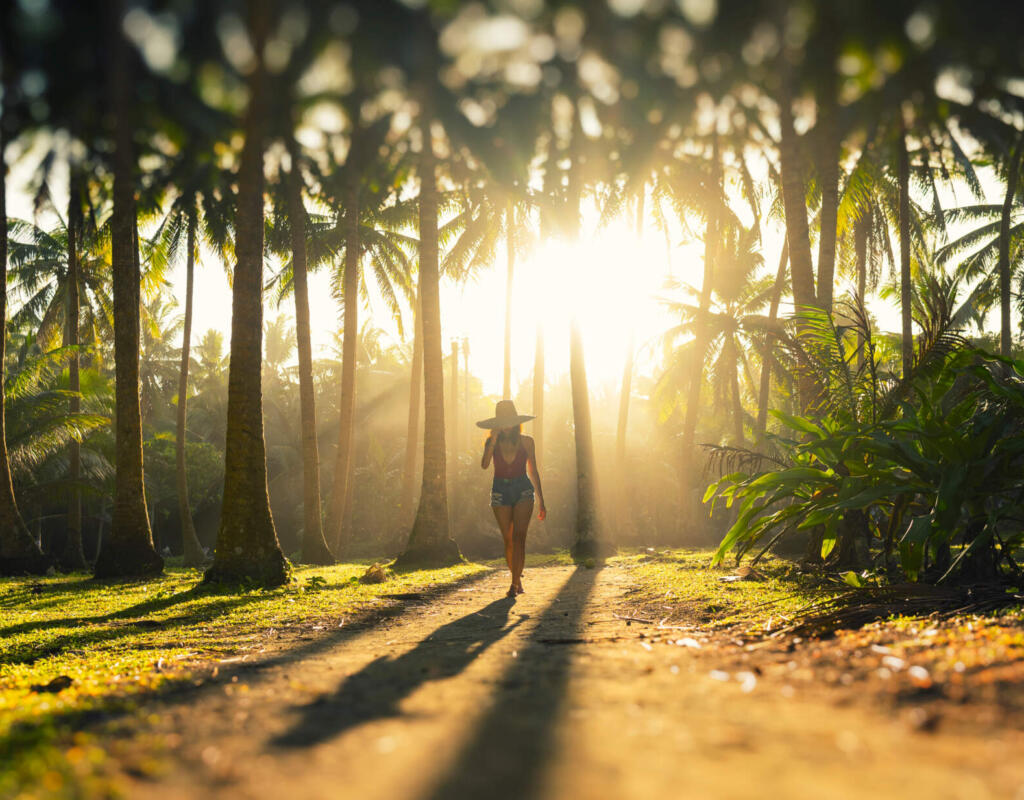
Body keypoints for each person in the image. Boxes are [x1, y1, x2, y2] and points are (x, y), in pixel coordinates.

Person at [478, 400, 546, 598]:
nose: (506, 425)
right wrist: (493, 440)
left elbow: (533, 470)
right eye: (502, 422)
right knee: (508, 540)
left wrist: (541, 499)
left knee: (519, 538)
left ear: (516, 422)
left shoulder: (527, 441)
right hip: (500, 490)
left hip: (523, 488)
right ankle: (517, 578)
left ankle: (514, 584)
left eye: (509, 421)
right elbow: (484, 465)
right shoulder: (491, 442)